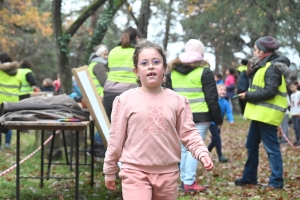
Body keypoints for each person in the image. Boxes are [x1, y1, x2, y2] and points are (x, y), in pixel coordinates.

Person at [103, 39, 214, 199]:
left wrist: (201, 152)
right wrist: (109, 169)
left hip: (168, 173)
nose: (150, 66)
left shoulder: (177, 101)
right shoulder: (124, 100)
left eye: (156, 62)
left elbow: (189, 133)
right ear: (136, 71)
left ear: (164, 68)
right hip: (134, 171)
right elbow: (115, 139)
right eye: (144, 63)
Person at [166, 39, 222, 192]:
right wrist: (218, 119)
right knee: (193, 149)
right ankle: (189, 182)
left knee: (184, 149)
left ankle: (185, 180)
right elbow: (212, 98)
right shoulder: (204, 72)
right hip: (200, 117)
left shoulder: (172, 72)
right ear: (201, 55)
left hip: (179, 116)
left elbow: (168, 96)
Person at [235, 36, 290, 190]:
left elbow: (270, 91)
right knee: (251, 145)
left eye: (255, 48)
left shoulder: (272, 68)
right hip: (259, 114)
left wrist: (248, 96)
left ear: (262, 50)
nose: (253, 51)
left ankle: (276, 181)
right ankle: (249, 177)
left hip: (267, 115)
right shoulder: (262, 66)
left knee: (272, 149)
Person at [103, 26, 139, 122]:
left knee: (112, 128)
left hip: (109, 93)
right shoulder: (136, 52)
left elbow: (108, 68)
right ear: (136, 38)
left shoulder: (113, 51)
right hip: (130, 93)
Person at [0, 52, 22, 149]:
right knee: (8, 122)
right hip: (12, 102)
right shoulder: (18, 72)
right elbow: (19, 86)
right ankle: (7, 144)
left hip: (0, 101)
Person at [208, 84, 234, 163]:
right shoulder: (213, 100)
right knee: (217, 138)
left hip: (218, 123)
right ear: (216, 91)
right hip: (211, 122)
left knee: (214, 141)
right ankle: (220, 156)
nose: (223, 92)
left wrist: (231, 120)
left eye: (224, 90)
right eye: (221, 90)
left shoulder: (225, 102)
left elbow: (229, 112)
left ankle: (205, 152)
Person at [287, 82, 300, 146]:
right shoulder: (291, 95)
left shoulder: (299, 93)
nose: (291, 88)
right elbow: (291, 104)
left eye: (292, 86)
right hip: (293, 113)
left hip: (298, 113)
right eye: (290, 87)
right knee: (295, 127)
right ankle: (297, 139)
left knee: (298, 127)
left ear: (296, 86)